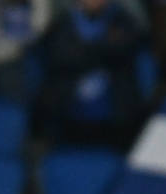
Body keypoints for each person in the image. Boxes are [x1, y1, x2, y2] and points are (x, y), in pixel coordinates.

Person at [36, 0, 148, 150]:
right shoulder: (64, 20)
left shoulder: (122, 19)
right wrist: (102, 48)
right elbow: (59, 55)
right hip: (68, 120)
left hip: (116, 122)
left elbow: (125, 49)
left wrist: (82, 50)